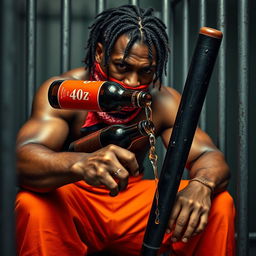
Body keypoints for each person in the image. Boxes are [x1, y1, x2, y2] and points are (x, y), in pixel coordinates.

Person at [15, 4, 235, 256]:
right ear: (100, 54)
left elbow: (208, 155)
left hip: (134, 205)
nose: (133, 82)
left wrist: (202, 184)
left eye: (146, 71)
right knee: (32, 203)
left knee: (220, 203)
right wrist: (81, 164)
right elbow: (22, 159)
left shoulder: (163, 101)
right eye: (122, 66)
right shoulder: (65, 92)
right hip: (77, 198)